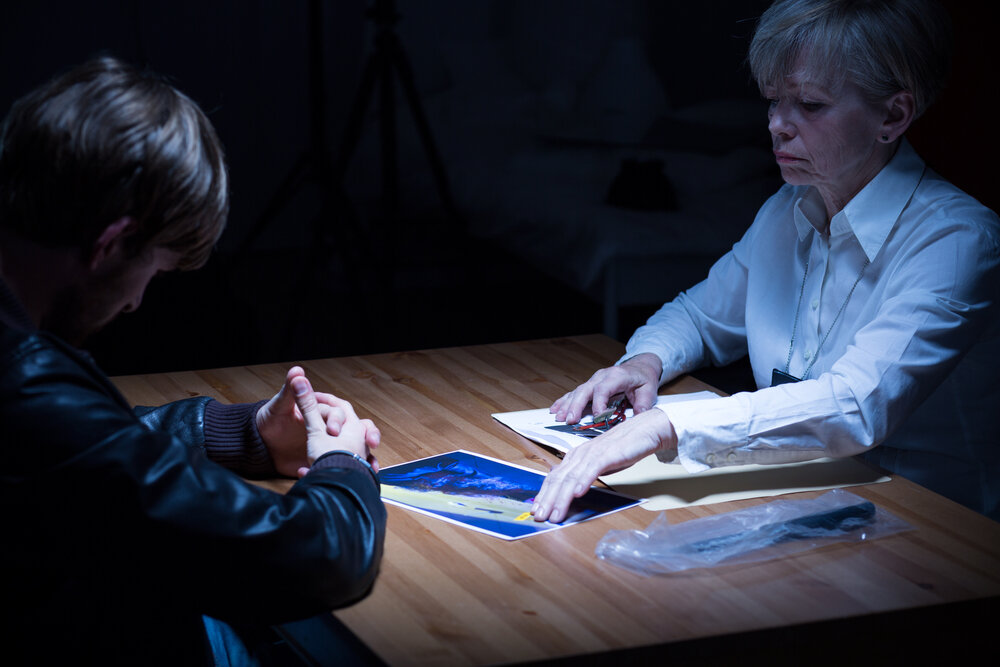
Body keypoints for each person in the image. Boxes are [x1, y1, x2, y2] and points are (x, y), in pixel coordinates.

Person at [532, 0, 1000, 523]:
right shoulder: (786, 209)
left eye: (810, 105)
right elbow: (698, 317)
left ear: (892, 116)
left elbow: (856, 404)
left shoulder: (957, 241)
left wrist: (667, 425)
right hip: (800, 492)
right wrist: (645, 361)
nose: (777, 124)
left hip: (929, 523)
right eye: (774, 100)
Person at [0, 57, 386, 665]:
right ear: (110, 243)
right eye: (153, 271)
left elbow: (85, 451)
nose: (135, 302)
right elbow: (310, 557)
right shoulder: (23, 385)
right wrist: (345, 467)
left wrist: (245, 432)